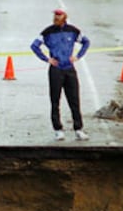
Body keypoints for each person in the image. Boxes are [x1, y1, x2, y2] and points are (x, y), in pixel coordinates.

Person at [30, 8, 91, 141]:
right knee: (55, 100)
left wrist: (78, 56)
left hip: (69, 69)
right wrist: (47, 59)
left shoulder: (73, 30)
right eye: (55, 15)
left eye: (59, 15)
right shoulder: (48, 32)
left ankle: (78, 129)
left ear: (64, 16)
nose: (56, 17)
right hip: (56, 70)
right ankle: (58, 129)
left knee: (74, 99)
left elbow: (86, 42)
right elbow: (34, 46)